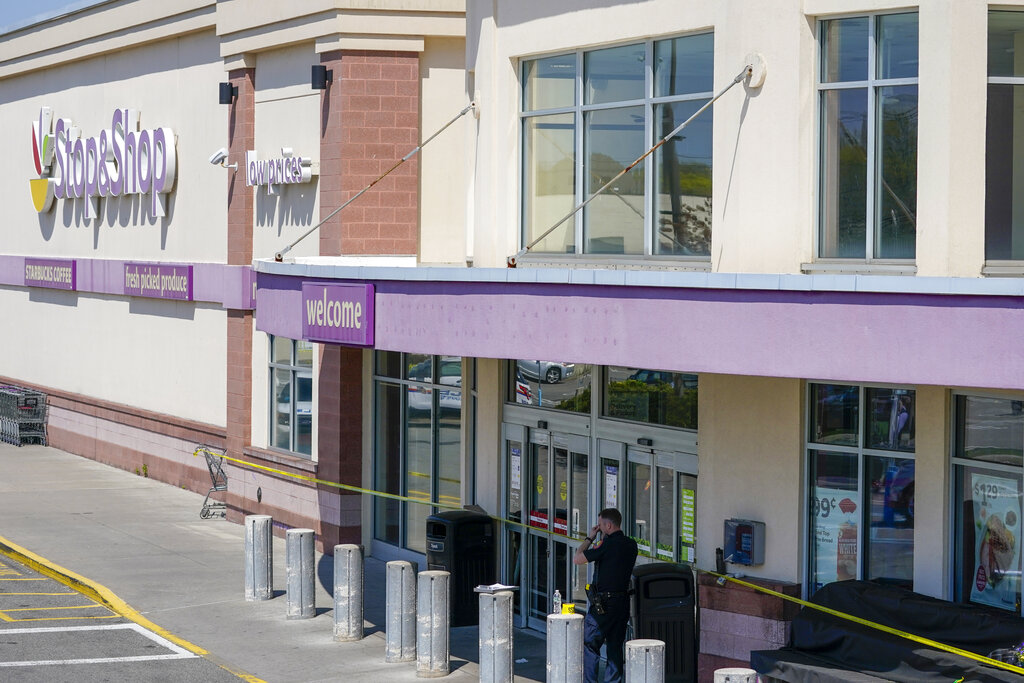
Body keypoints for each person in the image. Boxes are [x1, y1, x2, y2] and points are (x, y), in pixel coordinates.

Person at [573, 507, 638, 683]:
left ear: (609, 525)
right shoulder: (631, 544)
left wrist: (589, 538)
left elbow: (577, 558)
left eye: (601, 525)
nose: (599, 528)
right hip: (622, 603)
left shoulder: (606, 545)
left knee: (589, 644)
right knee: (615, 647)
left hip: (603, 605)